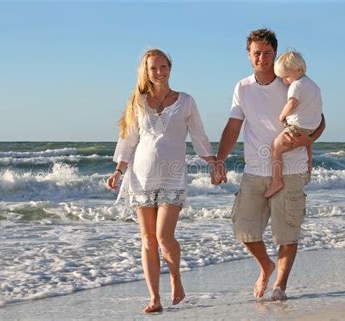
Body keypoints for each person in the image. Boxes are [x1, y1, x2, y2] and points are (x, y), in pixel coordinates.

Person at [212, 29, 325, 301]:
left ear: (275, 53)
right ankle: (266, 266)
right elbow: (233, 126)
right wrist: (219, 160)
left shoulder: (292, 82)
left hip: (291, 169)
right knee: (243, 229)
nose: (261, 58)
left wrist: (306, 140)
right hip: (255, 170)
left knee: (287, 234)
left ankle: (280, 287)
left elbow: (320, 121)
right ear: (249, 56)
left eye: (267, 52)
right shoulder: (242, 87)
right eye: (256, 53)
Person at [107, 49, 216, 313]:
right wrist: (119, 171)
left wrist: (213, 161)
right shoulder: (137, 102)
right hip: (141, 177)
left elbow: (199, 135)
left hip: (173, 175)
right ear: (146, 71)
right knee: (147, 240)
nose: (159, 72)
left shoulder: (186, 101)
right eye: (153, 68)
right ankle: (154, 298)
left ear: (170, 67)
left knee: (164, 237)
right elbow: (129, 139)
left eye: (163, 66)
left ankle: (176, 277)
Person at [263, 51, 323, 198]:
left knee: (276, 148)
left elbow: (292, 103)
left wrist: (282, 116)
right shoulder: (314, 86)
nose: (285, 81)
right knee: (307, 143)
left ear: (299, 70)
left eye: (286, 77)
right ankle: (308, 167)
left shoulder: (296, 85)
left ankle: (277, 181)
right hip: (312, 127)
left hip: (297, 126)